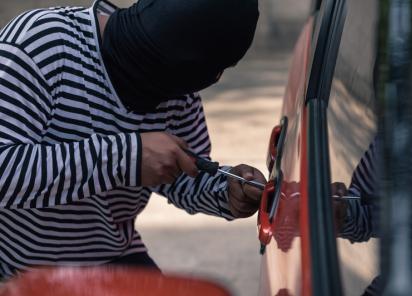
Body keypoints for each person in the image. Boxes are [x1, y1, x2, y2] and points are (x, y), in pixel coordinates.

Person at [0, 0, 266, 279]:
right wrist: (126, 157)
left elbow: (184, 172)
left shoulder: (178, 85)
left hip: (109, 259)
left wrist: (227, 191)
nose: (215, 78)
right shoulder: (42, 43)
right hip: (13, 268)